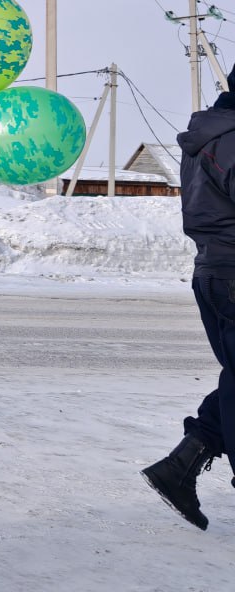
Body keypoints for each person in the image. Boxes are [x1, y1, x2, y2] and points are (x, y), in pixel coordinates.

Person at [141, 68, 235, 530]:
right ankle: (183, 463)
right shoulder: (230, 139)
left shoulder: (213, 137)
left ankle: (183, 462)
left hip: (217, 271)